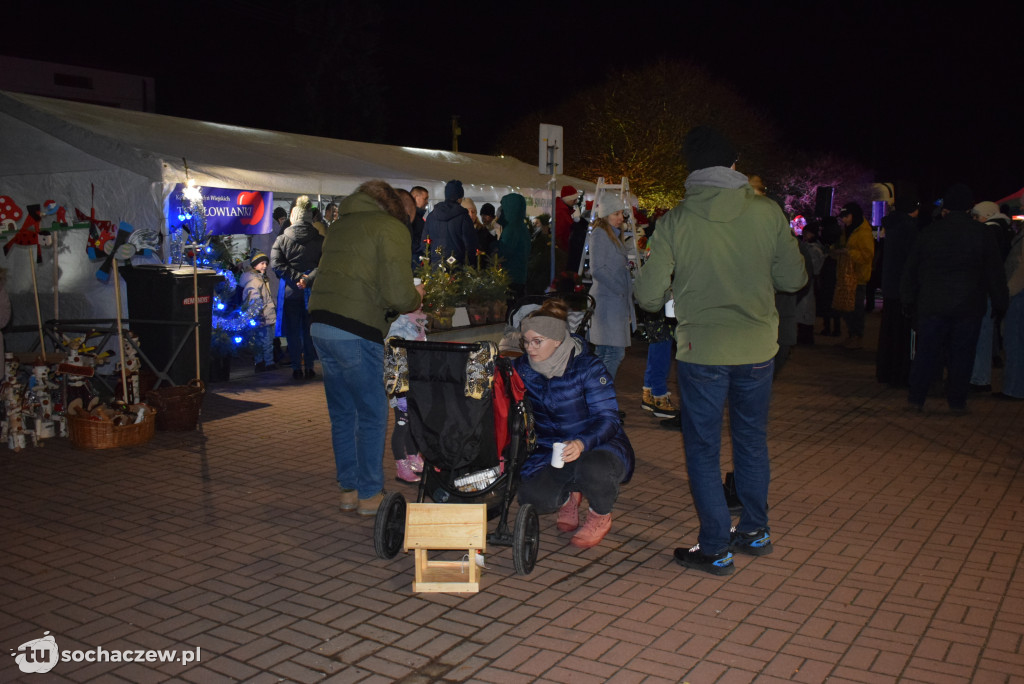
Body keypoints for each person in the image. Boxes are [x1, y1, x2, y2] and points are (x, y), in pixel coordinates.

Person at [634, 125, 807, 576]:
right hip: (756, 349)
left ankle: (714, 545)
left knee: (704, 448)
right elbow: (793, 279)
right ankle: (754, 530)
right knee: (751, 440)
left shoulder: (676, 220)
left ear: (692, 169)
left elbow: (649, 296)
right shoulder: (768, 213)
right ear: (733, 164)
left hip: (702, 350)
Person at [309, 180, 424, 515]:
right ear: (401, 210)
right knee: (373, 413)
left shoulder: (340, 224)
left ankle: (349, 490)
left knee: (343, 413)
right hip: (356, 328)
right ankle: (370, 494)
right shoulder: (390, 228)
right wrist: (417, 297)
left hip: (321, 324)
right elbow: (399, 294)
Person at [514, 298, 635, 549]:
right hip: (552, 448)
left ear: (557, 341)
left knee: (594, 470)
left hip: (599, 445)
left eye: (538, 341)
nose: (530, 348)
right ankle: (570, 495)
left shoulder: (588, 367)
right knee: (532, 497)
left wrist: (582, 442)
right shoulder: (523, 369)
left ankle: (600, 515)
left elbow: (608, 418)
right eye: (526, 341)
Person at [902, 183, 1009, 413]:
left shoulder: (930, 233)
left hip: (932, 303)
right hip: (968, 305)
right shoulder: (982, 234)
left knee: (927, 352)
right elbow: (994, 273)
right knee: (962, 355)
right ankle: (957, 401)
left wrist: (908, 299)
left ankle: (916, 398)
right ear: (969, 208)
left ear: (946, 208)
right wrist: (1000, 303)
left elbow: (911, 269)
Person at [272, 196, 324, 380]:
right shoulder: (319, 239)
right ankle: (310, 366)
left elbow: (276, 264)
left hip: (290, 292)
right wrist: (307, 279)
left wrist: (295, 278)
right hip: (313, 293)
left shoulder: (282, 239)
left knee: (293, 332)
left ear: (293, 216)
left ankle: (296, 367)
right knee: (309, 331)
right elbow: (325, 264)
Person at [587, 194, 635, 380]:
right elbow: (597, 270)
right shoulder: (600, 235)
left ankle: (597, 398)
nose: (621, 217)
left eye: (621, 213)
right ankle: (601, 397)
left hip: (612, 302)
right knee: (613, 353)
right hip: (609, 303)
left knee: (606, 353)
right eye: (616, 213)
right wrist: (620, 289)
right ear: (605, 214)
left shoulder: (612, 235)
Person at [875, 192, 919, 386]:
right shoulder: (908, 228)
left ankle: (885, 371)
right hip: (903, 288)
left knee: (889, 332)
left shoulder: (891, 226)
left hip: (890, 286)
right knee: (901, 334)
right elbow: (912, 261)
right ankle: (899, 374)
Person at [969, 200, 1012, 391]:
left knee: (982, 336)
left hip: (984, 292)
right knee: (986, 335)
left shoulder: (991, 232)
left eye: (976, 217)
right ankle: (980, 378)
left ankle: (979, 379)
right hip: (992, 292)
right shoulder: (1002, 230)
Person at [834, 202, 875, 349]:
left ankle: (857, 336)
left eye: (846, 216)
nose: (844, 220)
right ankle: (851, 335)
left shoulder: (863, 231)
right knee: (846, 308)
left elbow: (867, 255)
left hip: (858, 277)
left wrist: (849, 253)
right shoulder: (849, 230)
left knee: (856, 309)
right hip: (846, 275)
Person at [421, 179, 477, 267]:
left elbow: (424, 242)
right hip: (456, 266)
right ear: (460, 198)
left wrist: (430, 263)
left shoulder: (431, 216)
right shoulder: (463, 217)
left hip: (436, 265)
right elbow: (469, 245)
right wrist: (470, 265)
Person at [998, 223, 1024, 400]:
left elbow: (1021, 271)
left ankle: (1014, 389)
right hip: (1017, 293)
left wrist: (1007, 292)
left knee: (1014, 341)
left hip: (1018, 294)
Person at [241, 251, 277, 372]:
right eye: (262, 263)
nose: (265, 266)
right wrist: (259, 314)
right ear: (254, 265)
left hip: (263, 315)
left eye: (266, 263)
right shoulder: (255, 281)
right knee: (266, 341)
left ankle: (260, 361)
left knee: (260, 340)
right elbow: (255, 300)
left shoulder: (260, 279)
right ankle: (268, 363)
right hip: (262, 316)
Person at [497, 192, 530, 301]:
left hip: (511, 276)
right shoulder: (522, 226)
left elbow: (505, 251)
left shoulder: (511, 229)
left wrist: (494, 246)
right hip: (520, 275)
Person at [554, 185, 581, 252]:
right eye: (574, 200)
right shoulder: (561, 213)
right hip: (564, 251)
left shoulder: (565, 211)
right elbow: (559, 236)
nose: (576, 202)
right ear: (568, 199)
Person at [409, 186, 429, 270]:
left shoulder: (418, 218)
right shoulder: (411, 217)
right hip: (414, 259)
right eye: (425, 199)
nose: (427, 202)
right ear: (415, 197)